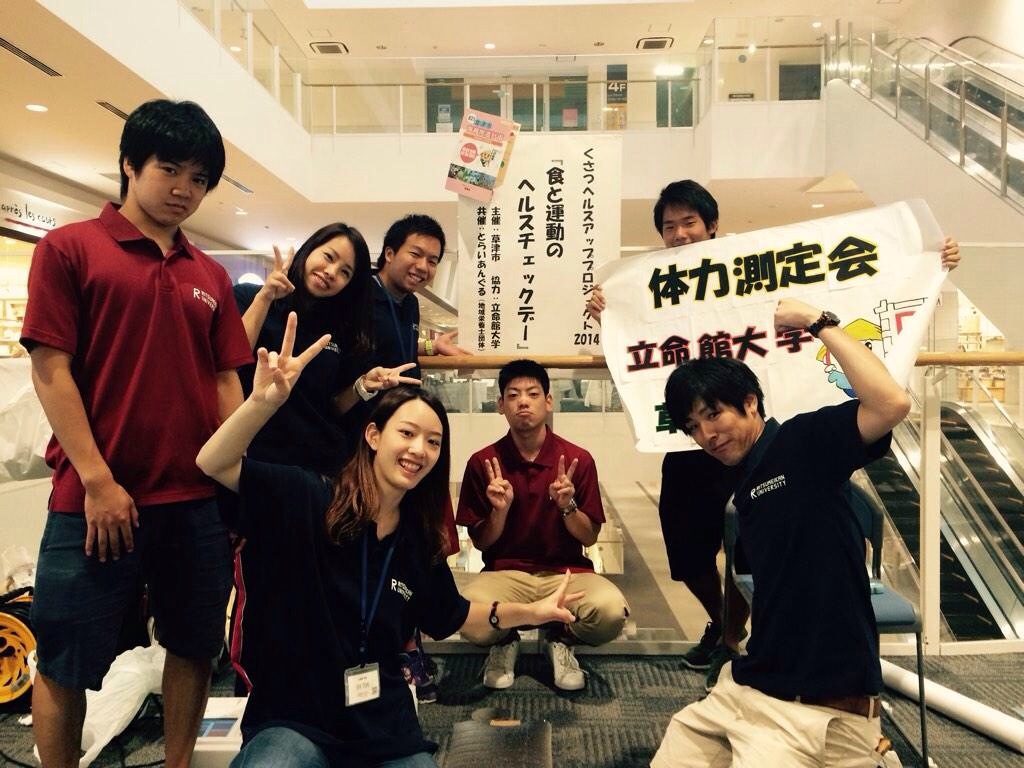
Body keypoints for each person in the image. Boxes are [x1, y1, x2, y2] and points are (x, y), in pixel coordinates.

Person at [586, 179, 961, 691]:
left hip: (763, 444)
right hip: (688, 449)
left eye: (689, 222)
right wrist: (609, 315)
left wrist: (924, 260)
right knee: (687, 553)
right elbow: (635, 351)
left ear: (711, 225)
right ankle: (726, 622)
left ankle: (746, 637)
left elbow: (856, 285)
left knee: (757, 549)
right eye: (669, 226)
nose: (679, 234)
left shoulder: (753, 270)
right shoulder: (651, 287)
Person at [196, 313, 582, 768]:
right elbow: (213, 463)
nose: (419, 449)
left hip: (379, 717)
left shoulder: (417, 539)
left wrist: (532, 613)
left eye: (433, 442)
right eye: (407, 433)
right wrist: (261, 404)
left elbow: (454, 615)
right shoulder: (310, 496)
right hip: (297, 715)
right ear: (374, 435)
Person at [21, 99, 252, 768]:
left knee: (194, 646)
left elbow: (224, 383)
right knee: (64, 659)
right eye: (169, 169)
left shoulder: (209, 275)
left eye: (199, 179)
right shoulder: (70, 249)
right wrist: (98, 481)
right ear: (129, 164)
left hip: (193, 502)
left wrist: (238, 486)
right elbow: (51, 369)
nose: (184, 189)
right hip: (93, 499)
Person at [651, 296, 911, 767]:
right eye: (693, 426)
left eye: (714, 414)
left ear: (750, 403)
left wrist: (817, 321)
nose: (707, 435)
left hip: (818, 709)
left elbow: (891, 402)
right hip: (749, 685)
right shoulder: (746, 480)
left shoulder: (800, 443)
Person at [230, 224, 420, 696]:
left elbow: (333, 406)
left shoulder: (341, 326)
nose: (332, 272)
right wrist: (265, 297)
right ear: (308, 251)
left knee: (312, 581)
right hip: (262, 464)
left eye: (346, 271)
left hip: (320, 469)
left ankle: (313, 688)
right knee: (262, 580)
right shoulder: (253, 297)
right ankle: (253, 690)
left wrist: (363, 387)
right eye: (328, 257)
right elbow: (225, 358)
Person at [456, 359, 629, 691]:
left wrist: (568, 506)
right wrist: (500, 512)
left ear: (548, 401)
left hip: (567, 573)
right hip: (505, 574)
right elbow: (481, 543)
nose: (523, 401)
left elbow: (589, 536)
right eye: (513, 395)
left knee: (610, 613)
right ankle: (505, 640)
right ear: (500, 405)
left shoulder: (577, 459)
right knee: (468, 618)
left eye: (533, 393)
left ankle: (559, 639)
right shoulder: (483, 462)